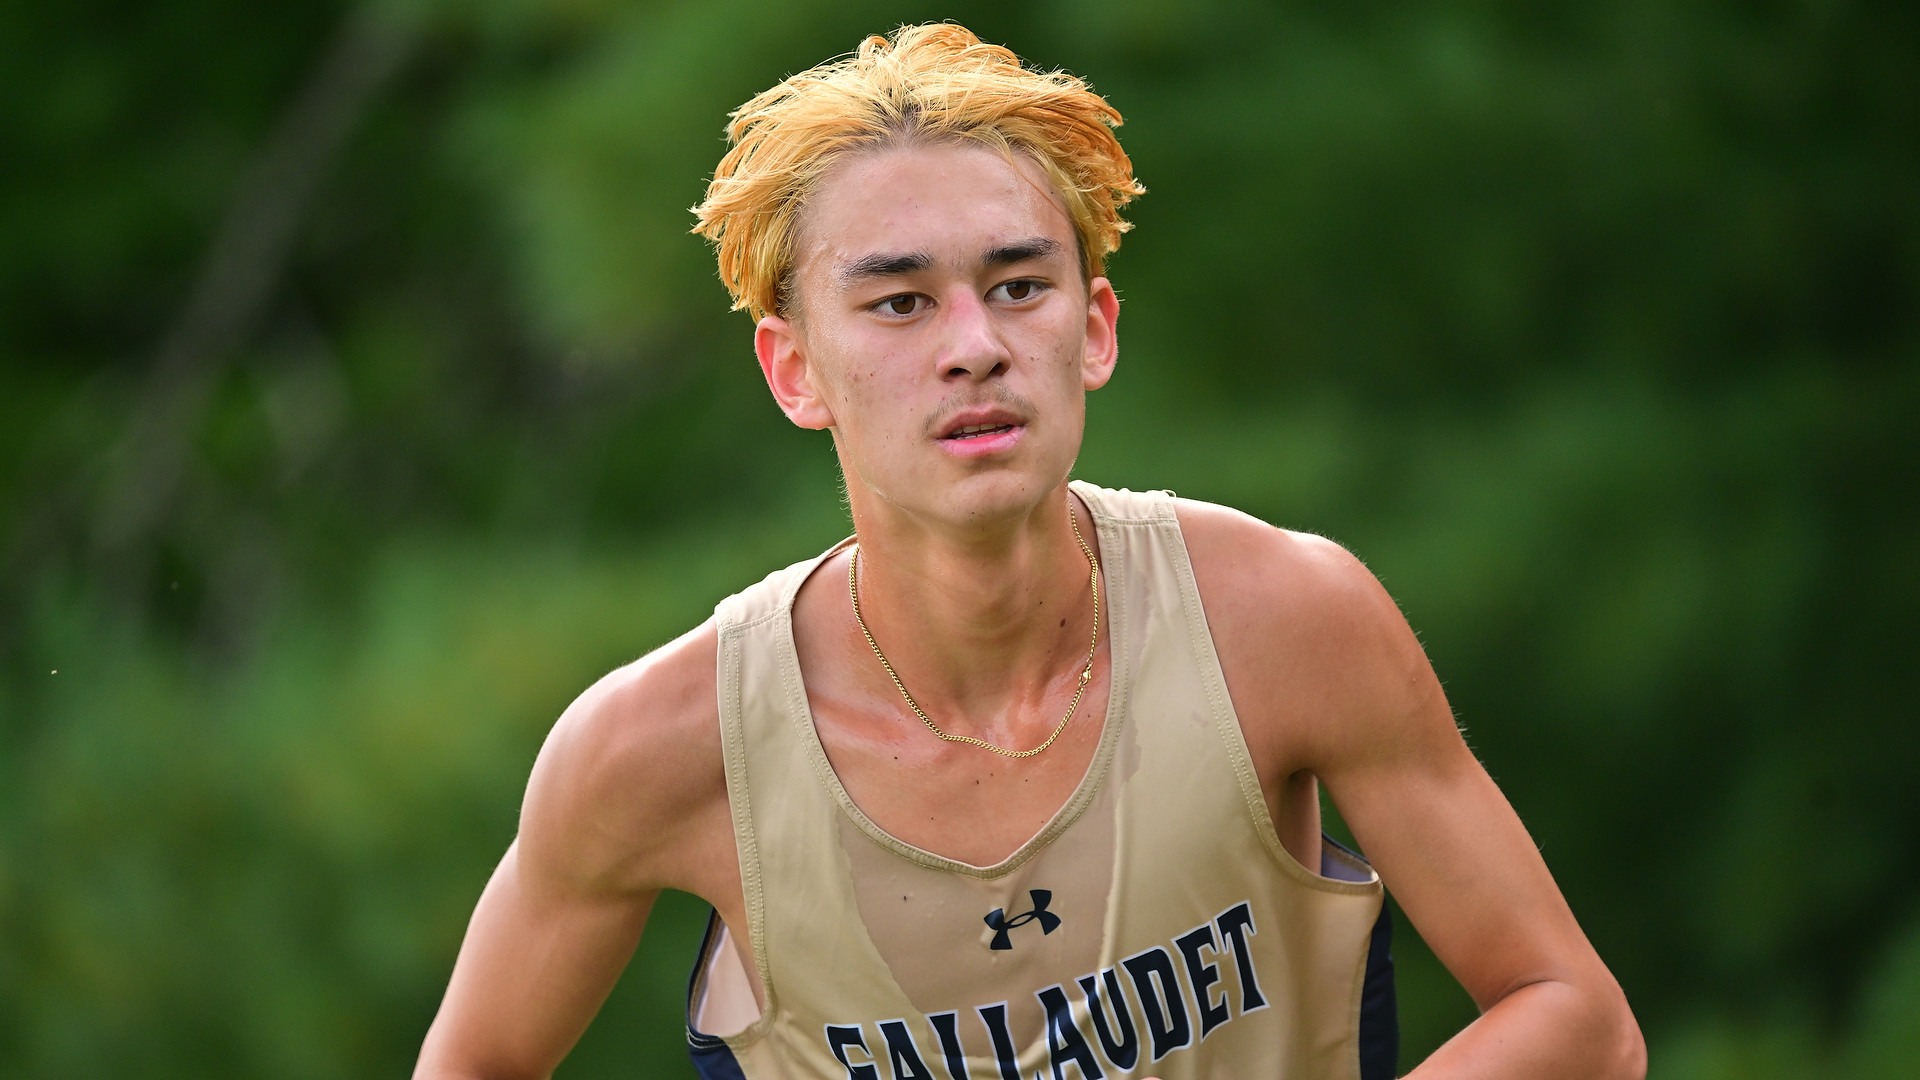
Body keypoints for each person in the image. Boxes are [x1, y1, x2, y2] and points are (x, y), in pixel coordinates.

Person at [415, 23, 1644, 1080]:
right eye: (900, 302)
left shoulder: (1282, 621)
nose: (975, 346)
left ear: (1094, 329)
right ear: (795, 371)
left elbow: (1577, 1019)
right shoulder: (660, 749)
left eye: (1018, 286)